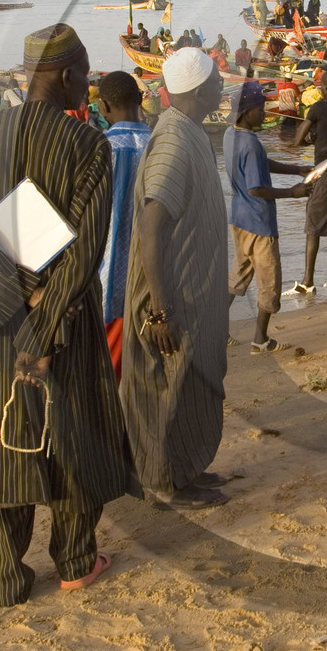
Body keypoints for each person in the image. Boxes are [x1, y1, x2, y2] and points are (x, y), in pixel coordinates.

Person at [0, 24, 131, 605]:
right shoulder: (86, 145)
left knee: (3, 436)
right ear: (70, 75)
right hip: (65, 321)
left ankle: (2, 576)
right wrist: (46, 316)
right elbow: (86, 246)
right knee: (74, 431)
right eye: (86, 76)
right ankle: (75, 558)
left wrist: (9, 298)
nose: (89, 90)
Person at [120, 48, 232, 510]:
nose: (223, 88)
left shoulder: (188, 132)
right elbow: (151, 223)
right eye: (217, 82)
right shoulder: (173, 141)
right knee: (168, 385)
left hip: (193, 292)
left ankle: (186, 469)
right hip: (171, 298)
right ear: (202, 91)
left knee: (192, 382)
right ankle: (165, 483)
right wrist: (160, 309)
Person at [226, 80, 313, 352]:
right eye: (261, 109)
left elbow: (260, 165)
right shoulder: (251, 143)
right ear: (247, 111)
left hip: (239, 218)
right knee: (269, 282)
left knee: (238, 275)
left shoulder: (231, 134)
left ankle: (216, 329)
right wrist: (293, 193)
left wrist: (295, 168)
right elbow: (256, 188)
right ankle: (260, 340)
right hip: (260, 223)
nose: (265, 113)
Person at [95, 71, 151, 382]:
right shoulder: (159, 144)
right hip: (153, 283)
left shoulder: (100, 148)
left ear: (103, 107)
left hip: (107, 283)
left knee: (109, 382)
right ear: (141, 99)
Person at [291, 67, 327, 293]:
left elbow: (297, 141)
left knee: (313, 228)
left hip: (323, 174)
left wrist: (308, 138)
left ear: (325, 87)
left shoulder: (317, 108)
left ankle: (308, 280)